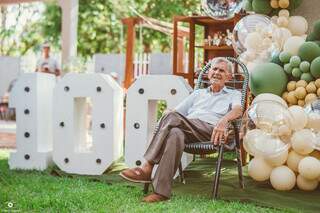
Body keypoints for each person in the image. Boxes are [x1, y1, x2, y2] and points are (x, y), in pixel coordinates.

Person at [120, 57, 242, 203]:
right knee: (174, 133)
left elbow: (238, 110)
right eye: (214, 69)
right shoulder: (198, 94)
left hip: (211, 131)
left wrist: (223, 121)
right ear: (208, 73)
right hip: (189, 129)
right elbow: (175, 112)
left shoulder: (233, 94)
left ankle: (147, 167)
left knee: (172, 118)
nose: (216, 72)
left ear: (228, 77)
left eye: (221, 70)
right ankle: (161, 192)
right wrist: (168, 113)